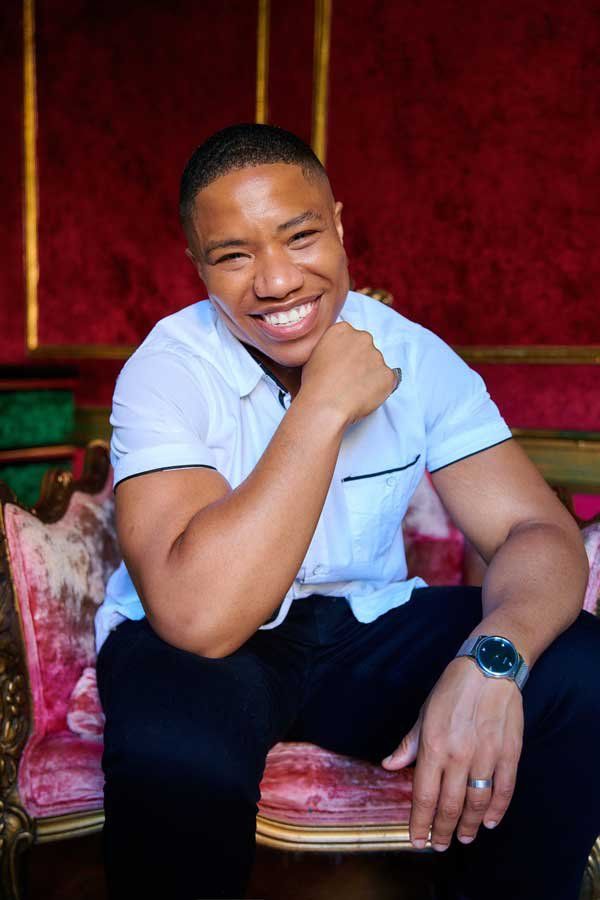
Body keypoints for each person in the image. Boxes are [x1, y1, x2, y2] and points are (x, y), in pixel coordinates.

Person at [95, 123, 600, 900]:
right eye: (234, 255)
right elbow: (201, 618)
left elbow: (535, 531)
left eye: (299, 236)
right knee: (175, 749)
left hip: (361, 625)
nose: (275, 281)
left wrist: (492, 658)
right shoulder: (164, 371)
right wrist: (324, 403)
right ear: (197, 266)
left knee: (581, 669)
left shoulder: (415, 353)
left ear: (338, 225)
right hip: (205, 636)